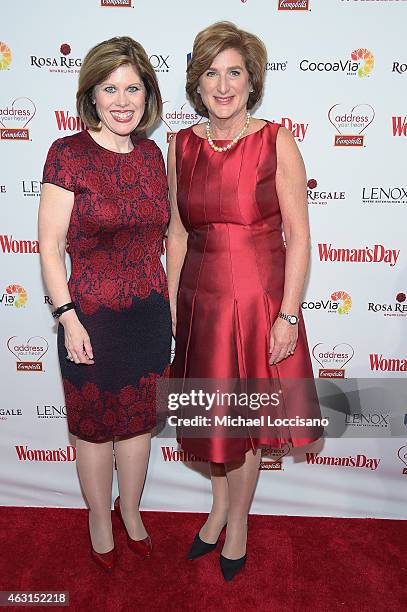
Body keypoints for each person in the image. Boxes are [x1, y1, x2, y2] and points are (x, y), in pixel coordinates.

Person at [167, 21, 323, 581]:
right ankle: (217, 509)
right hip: (200, 303)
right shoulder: (180, 145)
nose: (223, 84)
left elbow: (299, 236)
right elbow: (179, 235)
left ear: (251, 81)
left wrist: (288, 314)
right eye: (211, 72)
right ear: (197, 82)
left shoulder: (275, 140)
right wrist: (172, 310)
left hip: (258, 302)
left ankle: (238, 524)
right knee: (213, 420)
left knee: (246, 421)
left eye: (234, 72)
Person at [38, 36, 171, 572]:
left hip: (148, 315)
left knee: (139, 424)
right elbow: (49, 248)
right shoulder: (67, 154)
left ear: (147, 95)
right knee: (93, 427)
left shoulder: (152, 154)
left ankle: (131, 511)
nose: (122, 99)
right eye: (110, 88)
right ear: (91, 95)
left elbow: (168, 238)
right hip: (87, 318)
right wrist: (66, 317)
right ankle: (99, 518)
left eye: (133, 87)